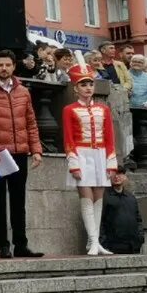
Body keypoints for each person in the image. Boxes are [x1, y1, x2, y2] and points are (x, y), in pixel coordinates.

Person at [0, 49, 44, 259]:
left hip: (20, 152)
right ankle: (3, 245)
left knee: (18, 201)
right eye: (0, 65)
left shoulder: (23, 91)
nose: (4, 68)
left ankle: (21, 244)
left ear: (14, 67)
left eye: (8, 65)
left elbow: (31, 123)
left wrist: (36, 149)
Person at [62, 63, 117, 256]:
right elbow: (68, 138)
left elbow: (110, 137)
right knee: (87, 197)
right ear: (76, 88)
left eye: (90, 84)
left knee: (98, 199)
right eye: (83, 85)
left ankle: (95, 242)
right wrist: (73, 162)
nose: (88, 88)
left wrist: (111, 161)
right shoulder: (69, 110)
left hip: (101, 155)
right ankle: (93, 241)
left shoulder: (104, 109)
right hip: (82, 155)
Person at [99, 164, 142, 255]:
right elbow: (99, 221)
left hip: (133, 247)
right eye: (114, 173)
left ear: (125, 176)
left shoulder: (131, 197)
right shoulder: (104, 196)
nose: (117, 176)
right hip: (112, 247)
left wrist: (140, 238)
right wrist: (104, 243)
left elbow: (138, 219)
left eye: (120, 173)